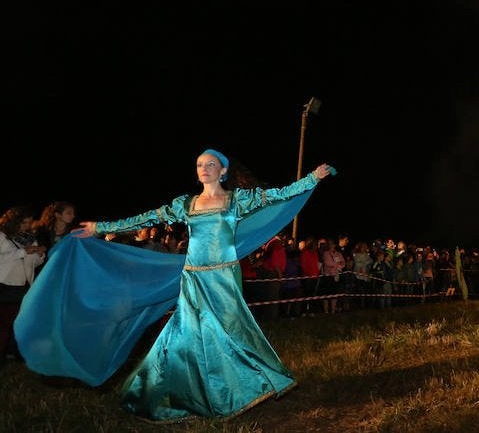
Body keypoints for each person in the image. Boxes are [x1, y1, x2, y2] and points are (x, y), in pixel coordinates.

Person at [15, 149, 335, 422]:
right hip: (194, 274)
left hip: (223, 276)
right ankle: (175, 392)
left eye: (210, 164)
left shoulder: (239, 200)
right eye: (199, 165)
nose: (204, 169)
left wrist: (312, 178)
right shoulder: (185, 204)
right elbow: (144, 219)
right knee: (189, 333)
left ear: (222, 171)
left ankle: (247, 384)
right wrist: (101, 227)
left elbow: (280, 194)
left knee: (229, 330)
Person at [0, 206, 45, 361]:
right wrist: (24, 251)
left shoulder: (29, 237)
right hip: (4, 284)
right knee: (4, 325)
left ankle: (13, 354)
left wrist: (39, 254)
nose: (27, 226)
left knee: (18, 323)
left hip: (24, 285)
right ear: (13, 222)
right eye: (23, 222)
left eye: (29, 222)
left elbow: (35, 262)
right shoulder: (2, 235)